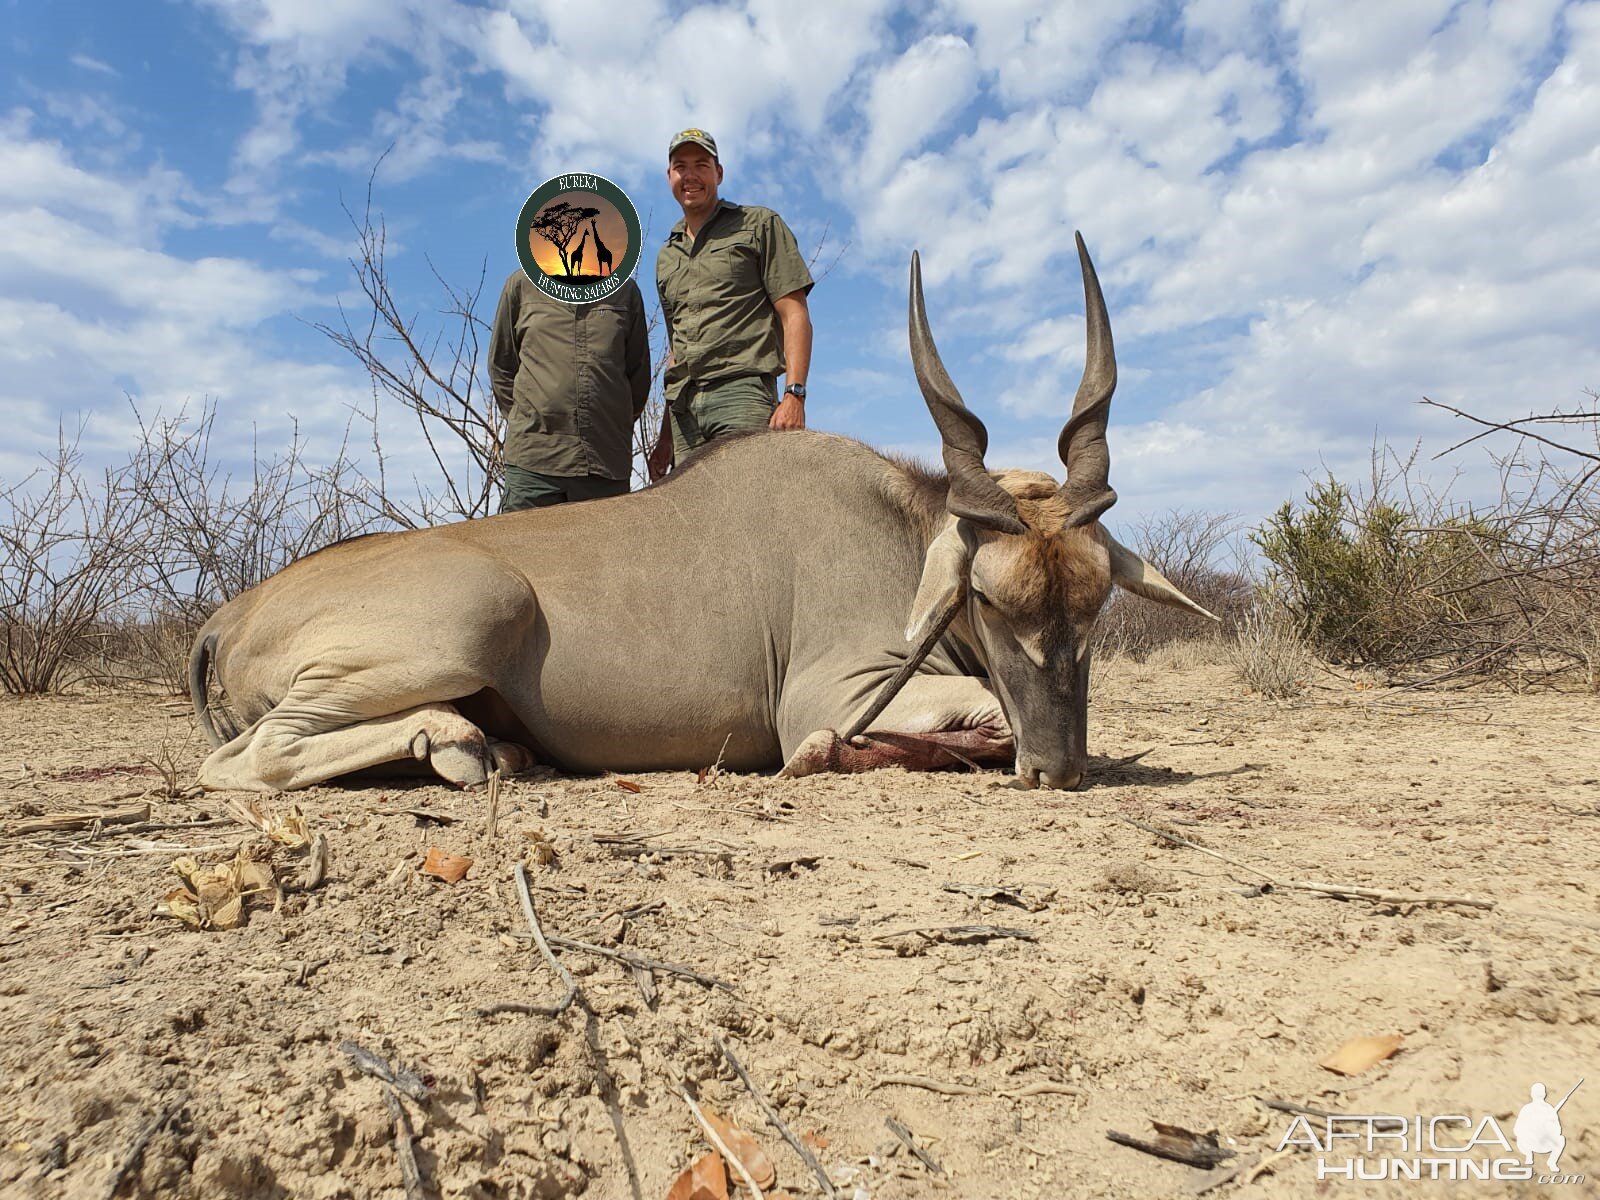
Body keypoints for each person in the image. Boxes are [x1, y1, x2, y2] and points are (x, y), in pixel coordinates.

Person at [648, 128, 813, 479]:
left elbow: (794, 312)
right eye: (680, 166)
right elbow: (677, 350)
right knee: (693, 525)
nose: (690, 175)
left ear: (718, 173)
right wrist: (665, 437)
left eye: (701, 165)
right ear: (669, 177)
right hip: (684, 415)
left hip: (741, 394)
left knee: (747, 515)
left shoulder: (758, 224)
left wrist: (794, 395)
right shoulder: (666, 255)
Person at [489, 268, 650, 511]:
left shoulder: (625, 292)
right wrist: (531, 420)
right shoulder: (520, 285)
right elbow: (501, 366)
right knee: (522, 550)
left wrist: (610, 424)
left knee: (606, 550)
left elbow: (638, 377)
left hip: (604, 467)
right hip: (533, 467)